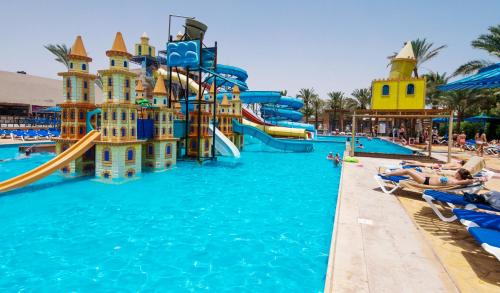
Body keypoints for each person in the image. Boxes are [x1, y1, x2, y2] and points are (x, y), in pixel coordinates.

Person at [382, 168, 486, 186]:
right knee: (410, 171)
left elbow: (467, 181)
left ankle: (388, 174)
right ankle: (391, 172)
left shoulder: (455, 182)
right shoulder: (454, 179)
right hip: (427, 177)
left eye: (457, 172)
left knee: (408, 171)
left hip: (425, 181)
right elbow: (468, 180)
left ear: (459, 175)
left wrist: (477, 179)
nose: (455, 172)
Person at [401, 159, 466, 170]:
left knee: (421, 164)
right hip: (439, 166)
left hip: (438, 165)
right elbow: (450, 168)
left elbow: (450, 167)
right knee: (421, 164)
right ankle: (406, 163)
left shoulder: (457, 164)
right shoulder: (459, 165)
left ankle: (406, 162)